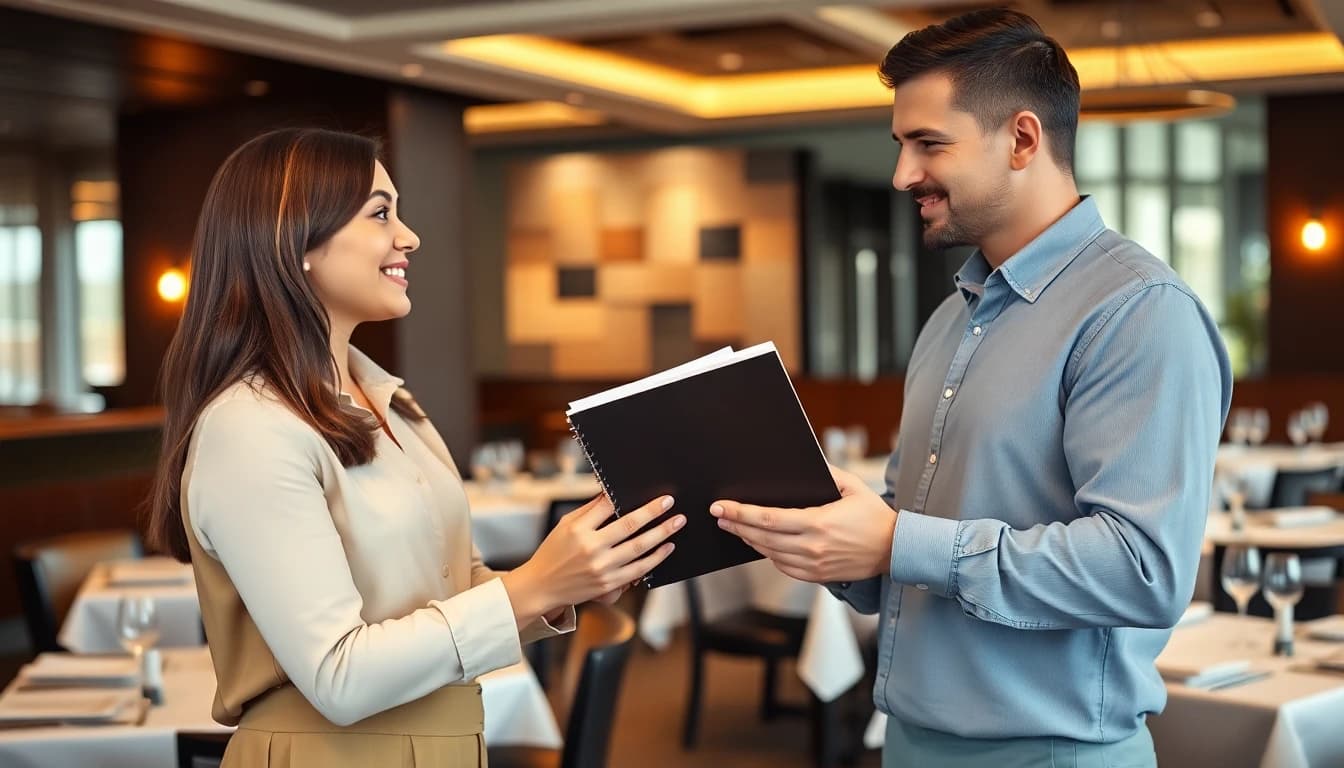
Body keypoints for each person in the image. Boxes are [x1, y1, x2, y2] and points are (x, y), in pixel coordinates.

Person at [712, 9, 1232, 767]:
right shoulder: (948, 323)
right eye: (901, 145)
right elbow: (912, 547)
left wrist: (897, 541)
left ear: (1023, 139)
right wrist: (832, 536)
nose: (902, 175)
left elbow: (1141, 570)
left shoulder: (1139, 312)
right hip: (912, 742)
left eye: (930, 144)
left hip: (1052, 752)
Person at [145, 127, 684, 767]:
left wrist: (567, 583)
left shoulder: (391, 401)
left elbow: (455, 587)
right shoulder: (251, 427)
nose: (409, 236)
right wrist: (532, 588)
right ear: (296, 241)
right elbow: (338, 676)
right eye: (380, 214)